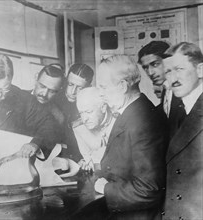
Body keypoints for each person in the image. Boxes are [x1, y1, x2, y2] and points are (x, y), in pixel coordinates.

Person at [77, 55, 167, 219]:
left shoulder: (142, 121)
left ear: (122, 86)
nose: (101, 94)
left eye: (103, 87)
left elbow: (148, 190)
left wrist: (106, 189)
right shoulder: (133, 112)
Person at [162, 42, 203, 220]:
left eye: (179, 69)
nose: (173, 79)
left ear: (200, 70)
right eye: (168, 72)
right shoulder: (177, 108)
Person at [55, 63, 94, 164]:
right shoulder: (53, 100)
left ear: (89, 87)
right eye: (70, 84)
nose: (73, 92)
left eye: (80, 88)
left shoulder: (93, 106)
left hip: (79, 161)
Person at [74, 87, 115, 172]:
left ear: (103, 108)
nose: (84, 119)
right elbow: (92, 165)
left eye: (89, 112)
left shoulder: (120, 123)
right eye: (81, 113)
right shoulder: (79, 129)